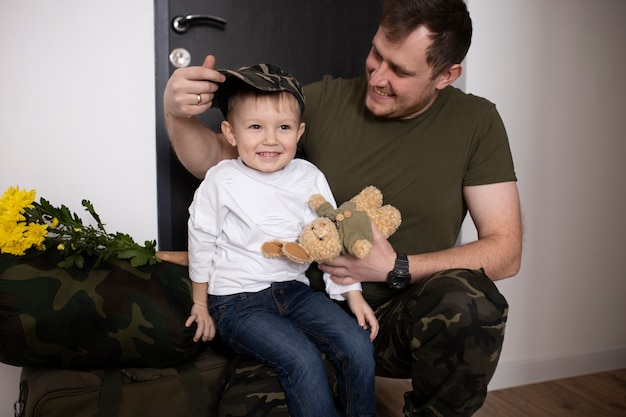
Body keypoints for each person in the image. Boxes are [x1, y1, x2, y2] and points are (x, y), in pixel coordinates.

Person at [166, 0, 523, 415]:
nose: (378, 77)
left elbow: (505, 251)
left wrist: (396, 267)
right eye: (376, 55)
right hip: (303, 305)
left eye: (401, 71)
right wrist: (177, 115)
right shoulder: (321, 102)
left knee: (472, 302)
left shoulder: (476, 121)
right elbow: (221, 162)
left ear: (446, 76)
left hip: (402, 319)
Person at [185, 63, 379, 417]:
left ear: (299, 131)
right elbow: (201, 240)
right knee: (300, 357)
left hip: (294, 291)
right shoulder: (222, 180)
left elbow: (329, 239)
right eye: (256, 127)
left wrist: (352, 295)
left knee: (356, 344)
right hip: (237, 302)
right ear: (230, 133)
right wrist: (200, 304)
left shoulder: (309, 176)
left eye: (284, 128)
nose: (271, 139)